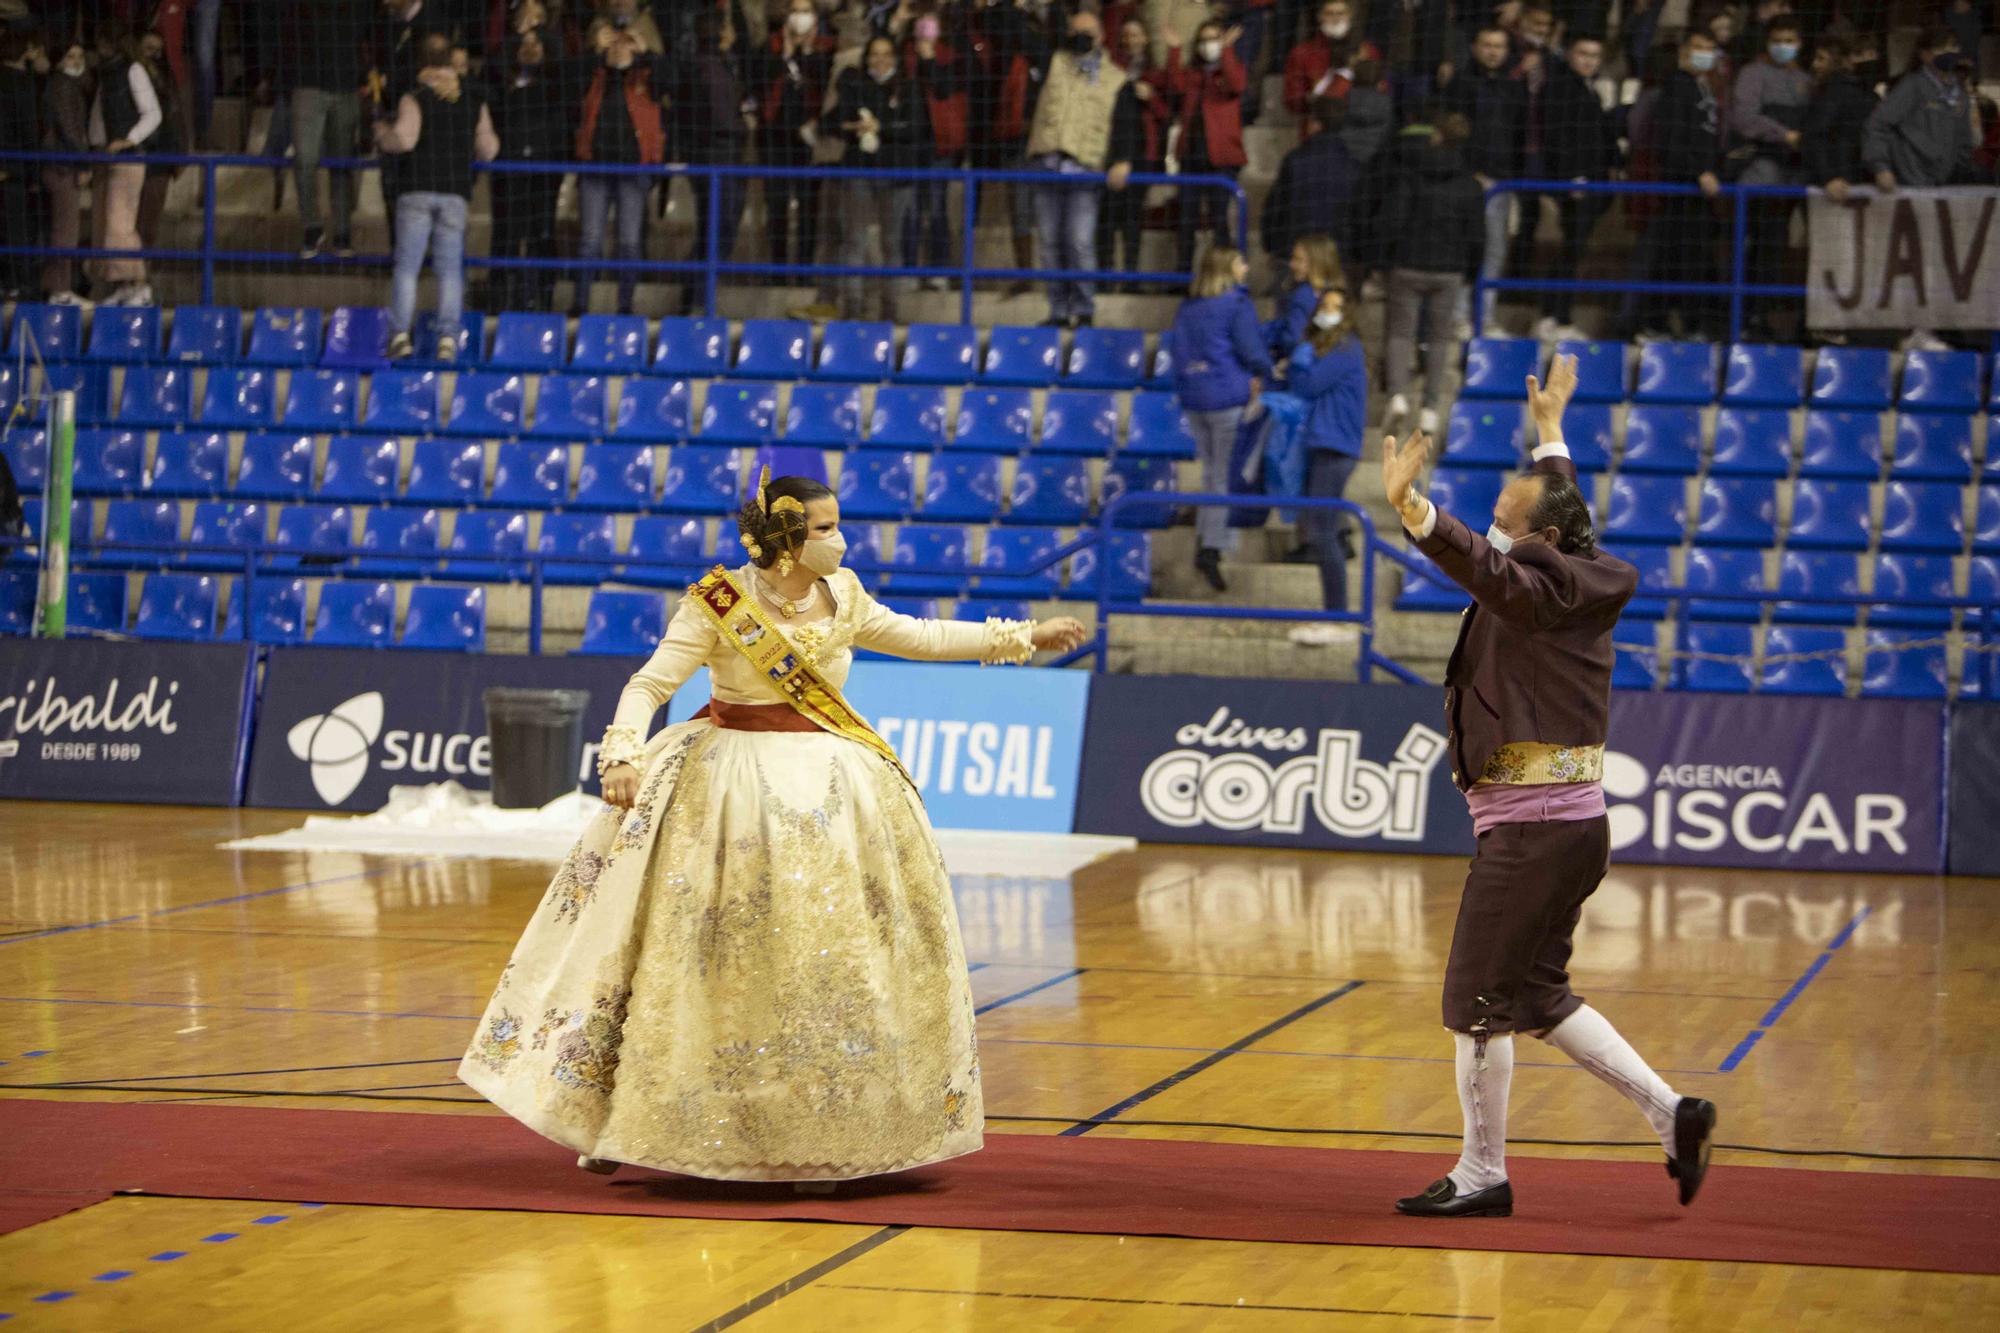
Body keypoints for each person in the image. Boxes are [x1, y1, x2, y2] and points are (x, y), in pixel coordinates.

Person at [459, 472, 1089, 1185]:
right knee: (689, 957)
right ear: (786, 540)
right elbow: (650, 685)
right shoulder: (718, 603)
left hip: (831, 785)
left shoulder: (844, 592)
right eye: (823, 528)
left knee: (820, 961)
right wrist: (621, 752)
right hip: (729, 788)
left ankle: (821, 1120)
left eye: (835, 525)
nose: (838, 538)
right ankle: (626, 1115)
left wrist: (1022, 635)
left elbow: (920, 636)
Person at [1380, 353, 1718, 1220]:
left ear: (1547, 545)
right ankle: (1672, 1113)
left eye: (1506, 523)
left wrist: (1417, 511)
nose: (1495, 532)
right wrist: (1553, 435)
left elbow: (1494, 570)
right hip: (1563, 828)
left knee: (1474, 1004)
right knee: (1534, 993)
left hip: (1531, 833)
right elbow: (1548, 514)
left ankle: (1482, 1174)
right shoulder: (1567, 560)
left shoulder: (1539, 588)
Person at [375, 34, 500, 361]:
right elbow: (488, 149)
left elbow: (404, 139)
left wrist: (381, 136)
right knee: (449, 269)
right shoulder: (473, 99)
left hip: (416, 188)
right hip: (455, 192)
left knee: (407, 268)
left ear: (421, 61)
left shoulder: (415, 96)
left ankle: (400, 335)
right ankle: (448, 339)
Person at [1023, 7, 1132, 329]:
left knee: (1080, 241)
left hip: (1085, 171)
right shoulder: (1052, 63)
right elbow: (1018, 34)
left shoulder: (1117, 79)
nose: (1080, 38)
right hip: (1047, 167)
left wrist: (1123, 159)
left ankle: (1084, 310)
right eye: (1075, 32)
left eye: (1087, 32)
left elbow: (1125, 125)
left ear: (1101, 37)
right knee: (1049, 243)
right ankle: (1058, 310)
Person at [1171, 244, 1270, 594]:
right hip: (1227, 398)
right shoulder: (1236, 304)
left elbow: (1178, 352)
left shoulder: (1188, 307)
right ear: (1229, 268)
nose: (1246, 266)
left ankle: (1209, 538)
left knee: (1213, 472)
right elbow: (1252, 349)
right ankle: (1211, 546)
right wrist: (1262, 372)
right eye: (1241, 261)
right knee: (1222, 476)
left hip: (1195, 399)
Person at [1380, 111, 1483, 436]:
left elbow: (1393, 219)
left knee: (1400, 334)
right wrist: (1471, 271)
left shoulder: (1411, 174)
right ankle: (1430, 408)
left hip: (1407, 264)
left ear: (1435, 135)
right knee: (1438, 339)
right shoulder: (1470, 184)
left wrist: (1386, 260)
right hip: (1449, 270)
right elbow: (1477, 234)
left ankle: (1397, 396)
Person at [1622, 29, 1725, 342]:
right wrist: (1699, 172)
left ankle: (1687, 324)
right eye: (1698, 46)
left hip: (1698, 192)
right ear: (1684, 51)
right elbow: (1671, 141)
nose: (1704, 52)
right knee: (1674, 258)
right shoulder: (1676, 88)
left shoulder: (1703, 87)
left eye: (1709, 47)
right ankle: (1656, 325)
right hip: (1679, 188)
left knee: (1692, 259)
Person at [1285, 285, 1367, 647]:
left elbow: (1308, 385)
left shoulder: (1347, 347)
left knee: (1324, 533)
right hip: (1325, 445)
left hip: (1336, 448)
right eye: (1323, 305)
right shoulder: (1333, 348)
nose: (1325, 312)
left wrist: (1298, 358)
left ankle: (1337, 616)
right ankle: (1334, 613)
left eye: (1334, 306)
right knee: (1321, 532)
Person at [825, 35, 925, 321]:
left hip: (897, 175)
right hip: (860, 172)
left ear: (895, 57)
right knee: (853, 240)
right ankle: (853, 308)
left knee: (891, 242)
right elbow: (831, 122)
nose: (880, 60)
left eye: (886, 54)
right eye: (874, 54)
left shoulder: (908, 87)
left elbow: (915, 127)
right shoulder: (855, 85)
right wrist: (853, 127)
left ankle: (890, 310)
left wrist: (882, 126)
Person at [571, 23, 665, 317]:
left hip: (633, 171)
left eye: (626, 43)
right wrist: (591, 53)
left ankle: (626, 306)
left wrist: (646, 53)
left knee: (628, 243)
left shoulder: (647, 75)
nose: (619, 47)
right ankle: (581, 304)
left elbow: (674, 80)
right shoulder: (593, 73)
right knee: (589, 241)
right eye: (613, 42)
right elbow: (564, 78)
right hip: (594, 168)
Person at [1439, 25, 1526, 330]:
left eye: (1499, 46)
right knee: (1466, 246)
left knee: (1495, 248)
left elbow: (1519, 134)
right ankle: (1459, 315)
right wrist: (1466, 170)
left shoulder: (1515, 87)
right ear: (1475, 47)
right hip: (1467, 181)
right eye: (1487, 45)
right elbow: (1451, 131)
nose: (1493, 52)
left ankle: (1486, 315)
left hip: (1501, 182)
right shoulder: (1461, 84)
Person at [1535, 30, 1620, 340]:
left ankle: (1560, 316)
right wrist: (1573, 177)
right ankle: (1552, 316)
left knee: (1574, 251)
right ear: (1570, 54)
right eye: (1583, 54)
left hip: (1594, 185)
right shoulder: (1559, 88)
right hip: (1575, 185)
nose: (1589, 61)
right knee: (1569, 250)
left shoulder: (1591, 91)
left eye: (1595, 56)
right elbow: (1557, 136)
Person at [1730, 15, 1810, 338]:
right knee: (1756, 249)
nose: (1783, 47)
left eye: (1790, 40)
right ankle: (1746, 321)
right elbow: (1744, 117)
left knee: (1776, 250)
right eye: (1778, 40)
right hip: (1759, 178)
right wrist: (1782, 134)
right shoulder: (1751, 74)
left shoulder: (1805, 80)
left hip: (1792, 180)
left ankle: (1765, 318)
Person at [671, 11, 752, 316]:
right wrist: (740, 125)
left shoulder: (723, 63)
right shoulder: (706, 66)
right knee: (719, 223)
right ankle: (695, 294)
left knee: (718, 225)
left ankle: (695, 292)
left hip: (723, 152)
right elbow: (717, 115)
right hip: (714, 154)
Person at [489, 23, 569, 312]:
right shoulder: (501, 84)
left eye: (537, 43)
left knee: (542, 234)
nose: (530, 48)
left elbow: (570, 75)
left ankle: (542, 299)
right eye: (524, 43)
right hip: (508, 172)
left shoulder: (556, 84)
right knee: (506, 235)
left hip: (543, 173)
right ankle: (500, 300)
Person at [288, 0, 373, 259]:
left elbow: (369, 34)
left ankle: (342, 233)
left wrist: (366, 75)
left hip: (346, 86)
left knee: (343, 164)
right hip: (307, 83)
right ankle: (312, 227)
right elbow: (284, 31)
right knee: (304, 158)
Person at [758, 0, 836, 277]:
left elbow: (830, 88)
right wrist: (785, 55)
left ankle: (804, 270)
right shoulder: (770, 47)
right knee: (777, 207)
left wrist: (807, 53)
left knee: (808, 208)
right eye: (795, 11)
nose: (799, 17)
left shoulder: (827, 48)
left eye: (805, 11)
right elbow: (759, 85)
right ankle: (778, 271)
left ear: (815, 16)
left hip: (809, 140)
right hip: (774, 140)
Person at [88, 26, 163, 308]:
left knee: (120, 223)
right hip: (104, 158)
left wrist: (127, 140)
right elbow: (98, 116)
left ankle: (138, 285)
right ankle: (123, 285)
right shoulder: (106, 75)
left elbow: (153, 113)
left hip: (127, 157)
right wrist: (95, 147)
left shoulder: (132, 70)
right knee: (105, 225)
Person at [1168, 19, 1246, 275]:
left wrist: (1226, 51)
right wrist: (1175, 51)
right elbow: (1174, 86)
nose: (1207, 44)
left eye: (1213, 38)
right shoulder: (1192, 74)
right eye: (1203, 39)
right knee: (1186, 220)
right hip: (1191, 157)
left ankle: (1223, 277)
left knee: (1219, 221)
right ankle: (1181, 276)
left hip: (1222, 159)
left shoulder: (1231, 69)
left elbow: (1237, 84)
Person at [1098, 15, 1172, 280]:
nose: (1131, 39)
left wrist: (1151, 98)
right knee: (1105, 218)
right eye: (1127, 34)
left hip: (1143, 153)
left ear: (1146, 38)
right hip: (1111, 151)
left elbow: (1167, 114)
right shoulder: (1110, 69)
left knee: (1132, 219)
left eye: (1136, 34)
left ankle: (1130, 275)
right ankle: (1104, 276)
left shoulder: (1156, 73)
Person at [904, 9, 967, 292]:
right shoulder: (903, 53)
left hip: (939, 145)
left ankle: (938, 270)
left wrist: (928, 57)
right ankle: (907, 270)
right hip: (908, 145)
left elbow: (943, 89)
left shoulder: (950, 57)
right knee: (911, 210)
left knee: (938, 209)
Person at [1261, 97, 1356, 281]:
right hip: (1338, 257)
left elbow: (1275, 207)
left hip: (1295, 256)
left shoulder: (1295, 161)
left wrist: (1273, 247)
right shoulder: (1353, 167)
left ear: (1314, 123)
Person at [40, 41, 90, 304]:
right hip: (63, 165)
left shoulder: (67, 86)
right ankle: (60, 291)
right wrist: (83, 163)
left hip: (60, 163)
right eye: (70, 56)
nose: (76, 61)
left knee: (63, 229)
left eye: (80, 56)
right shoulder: (62, 85)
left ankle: (59, 287)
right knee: (65, 230)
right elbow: (70, 129)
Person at [1804, 33, 1878, 203]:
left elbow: (1817, 136)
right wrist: (1828, 177)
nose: (1815, 65)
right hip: (1844, 185)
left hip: (1845, 185)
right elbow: (1817, 136)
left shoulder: (1838, 92)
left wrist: (1828, 177)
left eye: (1821, 58)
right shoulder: (1839, 92)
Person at [1282, 0, 1378, 123]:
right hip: (1318, 127)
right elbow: (1291, 100)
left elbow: (1381, 90)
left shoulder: (1367, 50)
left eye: (1341, 13)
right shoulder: (1302, 53)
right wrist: (1310, 98)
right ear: (1320, 17)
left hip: (1358, 125)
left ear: (1350, 16)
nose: (1335, 18)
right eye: (1329, 13)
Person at [0, 31, 41, 301]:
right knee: (17, 231)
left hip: (10, 166)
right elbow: (28, 131)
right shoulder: (22, 85)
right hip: (14, 169)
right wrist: (34, 173)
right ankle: (20, 286)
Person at [1267, 230, 1343, 362]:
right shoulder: (1338, 293)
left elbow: (1293, 340)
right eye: (1293, 258)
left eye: (1299, 260)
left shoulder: (1303, 296)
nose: (1292, 264)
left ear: (1317, 263)